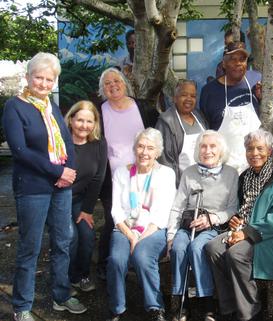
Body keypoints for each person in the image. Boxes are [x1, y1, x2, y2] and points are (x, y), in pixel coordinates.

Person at [2, 52, 87, 321]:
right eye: (38, 77)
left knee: (63, 241)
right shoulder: (15, 107)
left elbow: (67, 143)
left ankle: (61, 295)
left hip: (61, 187)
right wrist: (58, 171)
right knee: (31, 246)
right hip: (33, 188)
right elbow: (20, 150)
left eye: (49, 79)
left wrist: (69, 172)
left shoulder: (51, 107)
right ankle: (22, 306)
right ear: (28, 77)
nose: (43, 83)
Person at [206, 129, 273, 321]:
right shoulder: (244, 177)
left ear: (270, 151)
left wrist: (247, 232)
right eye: (250, 149)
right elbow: (243, 209)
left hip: (272, 236)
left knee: (237, 254)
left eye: (260, 148)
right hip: (245, 231)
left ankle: (250, 313)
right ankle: (229, 308)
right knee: (213, 247)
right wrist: (236, 220)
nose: (254, 153)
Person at [106, 128, 176, 321]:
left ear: (157, 152)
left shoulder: (166, 174)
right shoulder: (122, 172)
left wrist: (140, 238)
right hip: (125, 228)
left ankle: (155, 307)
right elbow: (116, 210)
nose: (144, 152)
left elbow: (162, 213)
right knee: (116, 259)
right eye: (141, 146)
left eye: (150, 148)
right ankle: (117, 307)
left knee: (142, 256)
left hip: (154, 229)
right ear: (134, 148)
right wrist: (130, 235)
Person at [168, 130, 238, 321]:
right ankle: (181, 302)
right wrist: (171, 235)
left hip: (215, 227)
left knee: (198, 247)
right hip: (188, 224)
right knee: (179, 248)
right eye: (203, 146)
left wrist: (212, 219)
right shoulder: (189, 172)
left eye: (212, 146)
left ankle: (207, 303)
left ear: (221, 150)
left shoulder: (231, 174)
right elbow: (178, 206)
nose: (207, 150)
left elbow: (233, 208)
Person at [96, 67, 157, 279]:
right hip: (112, 180)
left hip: (144, 176)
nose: (113, 85)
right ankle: (105, 264)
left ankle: (135, 258)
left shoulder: (142, 107)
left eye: (117, 81)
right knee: (114, 220)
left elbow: (155, 135)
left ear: (125, 83)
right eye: (107, 83)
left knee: (142, 217)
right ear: (103, 89)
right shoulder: (99, 110)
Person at [65, 100, 107, 292]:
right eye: (80, 120)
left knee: (87, 235)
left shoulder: (99, 144)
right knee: (71, 237)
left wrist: (87, 210)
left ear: (95, 123)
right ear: (71, 119)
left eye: (89, 121)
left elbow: (98, 178)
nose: (84, 125)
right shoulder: (62, 143)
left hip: (80, 201)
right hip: (58, 200)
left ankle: (82, 275)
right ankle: (67, 277)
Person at [200, 41, 262, 172]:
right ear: (224, 63)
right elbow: (205, 130)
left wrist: (267, 99)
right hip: (224, 168)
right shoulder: (209, 91)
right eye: (233, 59)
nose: (238, 63)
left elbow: (269, 111)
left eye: (242, 59)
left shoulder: (255, 83)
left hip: (256, 165)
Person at [155, 79, 208, 187]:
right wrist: (177, 187)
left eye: (193, 96)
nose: (189, 99)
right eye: (184, 95)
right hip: (181, 185)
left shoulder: (199, 116)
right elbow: (165, 162)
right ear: (175, 98)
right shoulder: (166, 122)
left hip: (204, 181)